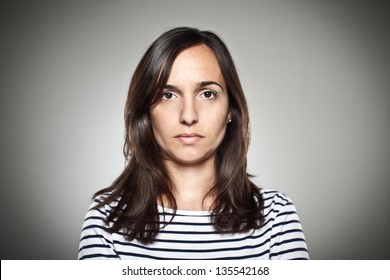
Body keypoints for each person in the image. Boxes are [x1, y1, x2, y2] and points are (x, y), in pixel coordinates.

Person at [78, 27, 309, 260]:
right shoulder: (106, 217)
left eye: (207, 94)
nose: (188, 116)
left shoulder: (275, 215)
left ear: (230, 109)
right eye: (168, 95)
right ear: (146, 111)